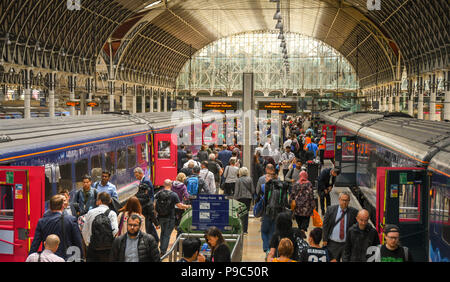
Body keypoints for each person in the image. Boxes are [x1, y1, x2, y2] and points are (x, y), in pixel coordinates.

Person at [29, 195, 83, 261]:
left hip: (46, 259)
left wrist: (31, 257)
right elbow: (78, 242)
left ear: (50, 206)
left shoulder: (42, 222)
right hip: (67, 258)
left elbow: (35, 244)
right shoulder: (71, 220)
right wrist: (81, 257)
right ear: (62, 206)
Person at [154, 179, 191, 256]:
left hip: (161, 217)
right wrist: (188, 206)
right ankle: (163, 251)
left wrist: (155, 215)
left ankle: (161, 248)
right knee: (167, 234)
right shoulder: (173, 195)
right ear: (171, 185)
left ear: (164, 185)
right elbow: (179, 206)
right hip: (170, 217)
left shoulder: (159, 193)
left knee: (163, 232)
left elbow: (154, 204)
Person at [82, 192, 119, 262]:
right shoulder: (112, 213)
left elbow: (84, 231)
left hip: (92, 248)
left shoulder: (90, 212)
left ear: (99, 201)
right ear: (110, 201)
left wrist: (88, 243)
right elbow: (115, 230)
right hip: (107, 249)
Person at [322, 192, 358, 262]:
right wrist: (324, 239)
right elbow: (325, 225)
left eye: (346, 200)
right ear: (339, 200)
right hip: (333, 244)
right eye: (343, 200)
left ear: (349, 201)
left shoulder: (354, 212)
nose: (344, 202)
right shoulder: (330, 210)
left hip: (346, 244)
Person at [233, 167, 254, 234]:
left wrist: (234, 199)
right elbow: (252, 190)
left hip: (240, 198)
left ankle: (240, 229)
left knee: (240, 214)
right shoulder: (250, 179)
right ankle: (245, 230)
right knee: (246, 214)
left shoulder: (238, 180)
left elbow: (237, 191)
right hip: (248, 198)